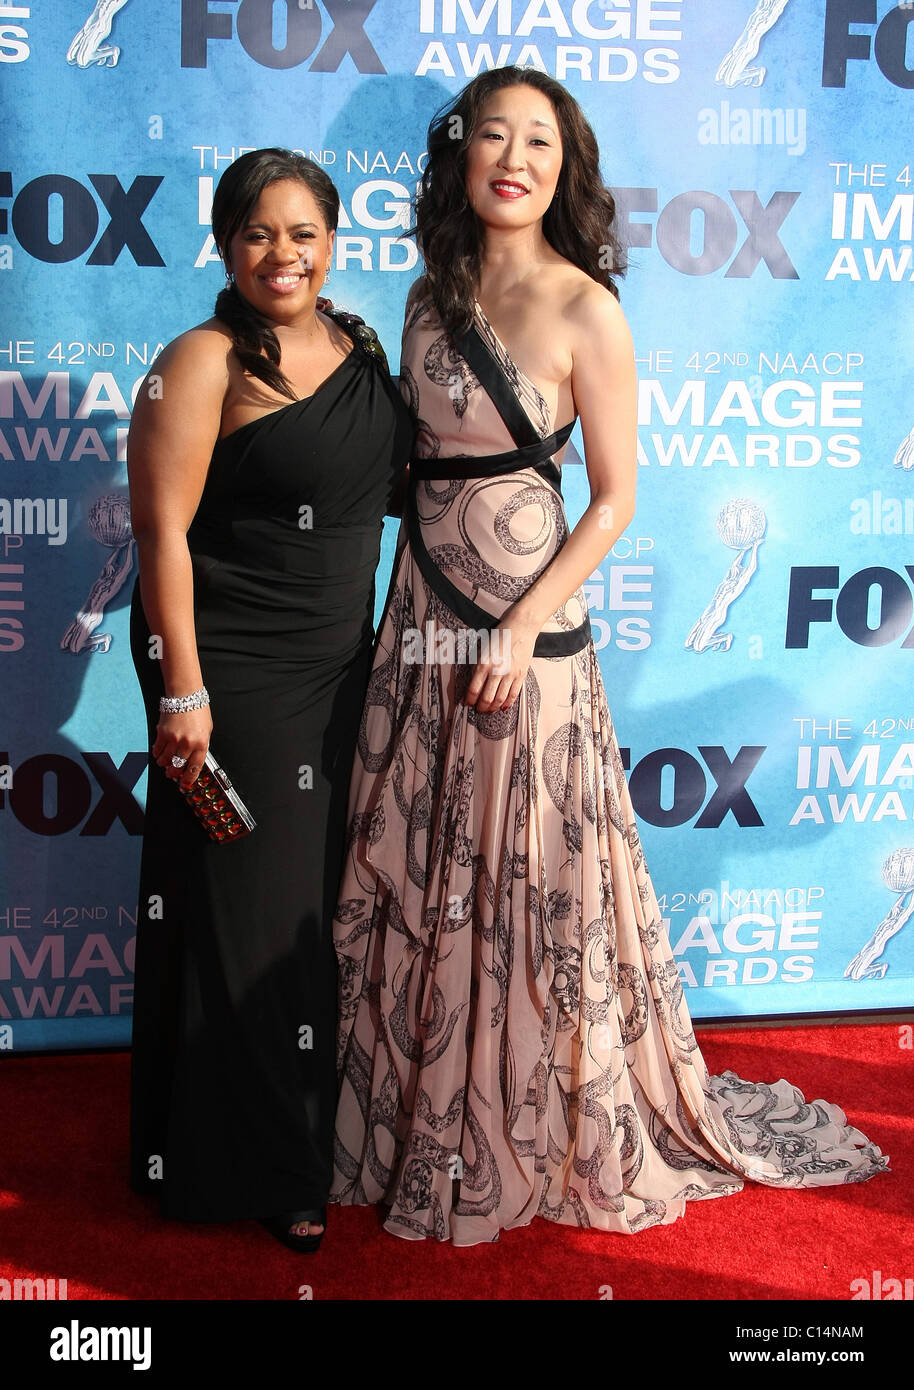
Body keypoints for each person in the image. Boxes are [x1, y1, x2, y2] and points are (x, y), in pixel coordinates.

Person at [329, 69, 888, 1245]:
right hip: (415, 633)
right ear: (461, 156)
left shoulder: (589, 309)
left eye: (537, 141)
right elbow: (411, 474)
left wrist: (524, 623)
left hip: (525, 647)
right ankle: (416, 1107)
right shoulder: (428, 296)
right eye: (493, 135)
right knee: (416, 857)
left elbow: (617, 499)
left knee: (523, 867)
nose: (512, 158)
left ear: (563, 167)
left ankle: (529, 1110)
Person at [127, 148, 413, 1251]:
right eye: (257, 233)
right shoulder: (198, 359)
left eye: (301, 233)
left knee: (304, 917)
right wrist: (184, 690)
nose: (281, 254)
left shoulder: (362, 348)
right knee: (263, 924)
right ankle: (272, 1165)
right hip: (236, 676)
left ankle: (201, 1136)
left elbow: (384, 493)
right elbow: (162, 534)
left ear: (333, 241)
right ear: (223, 245)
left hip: (342, 673)